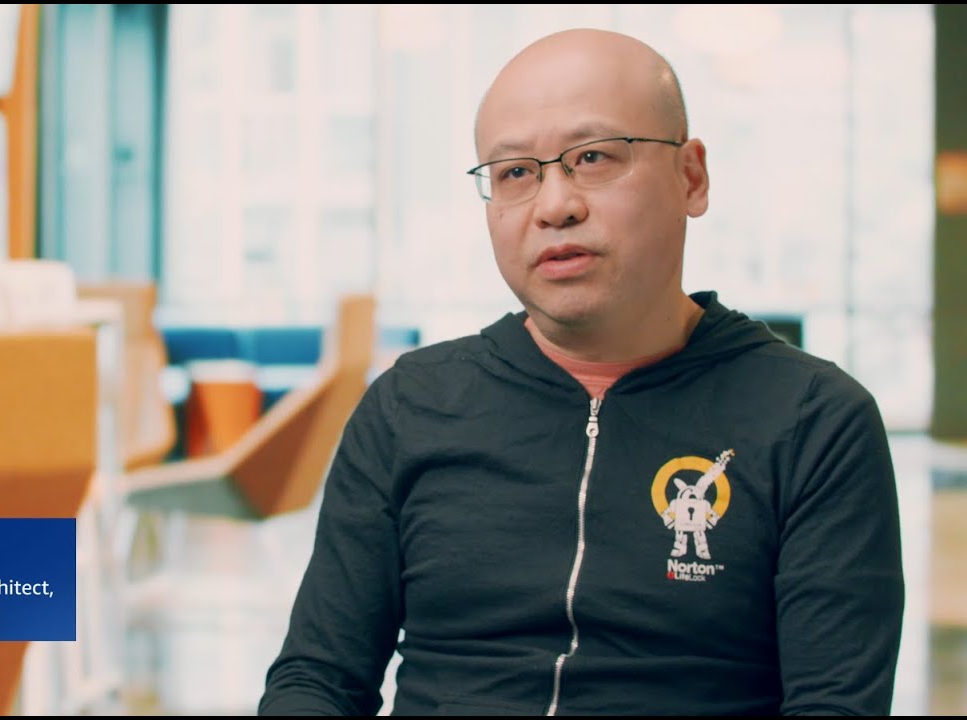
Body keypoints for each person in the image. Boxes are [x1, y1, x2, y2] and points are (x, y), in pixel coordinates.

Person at [259, 28, 905, 716]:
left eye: (593, 157)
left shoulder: (812, 420)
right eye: (515, 173)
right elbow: (318, 679)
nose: (554, 205)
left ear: (692, 176)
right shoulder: (411, 407)